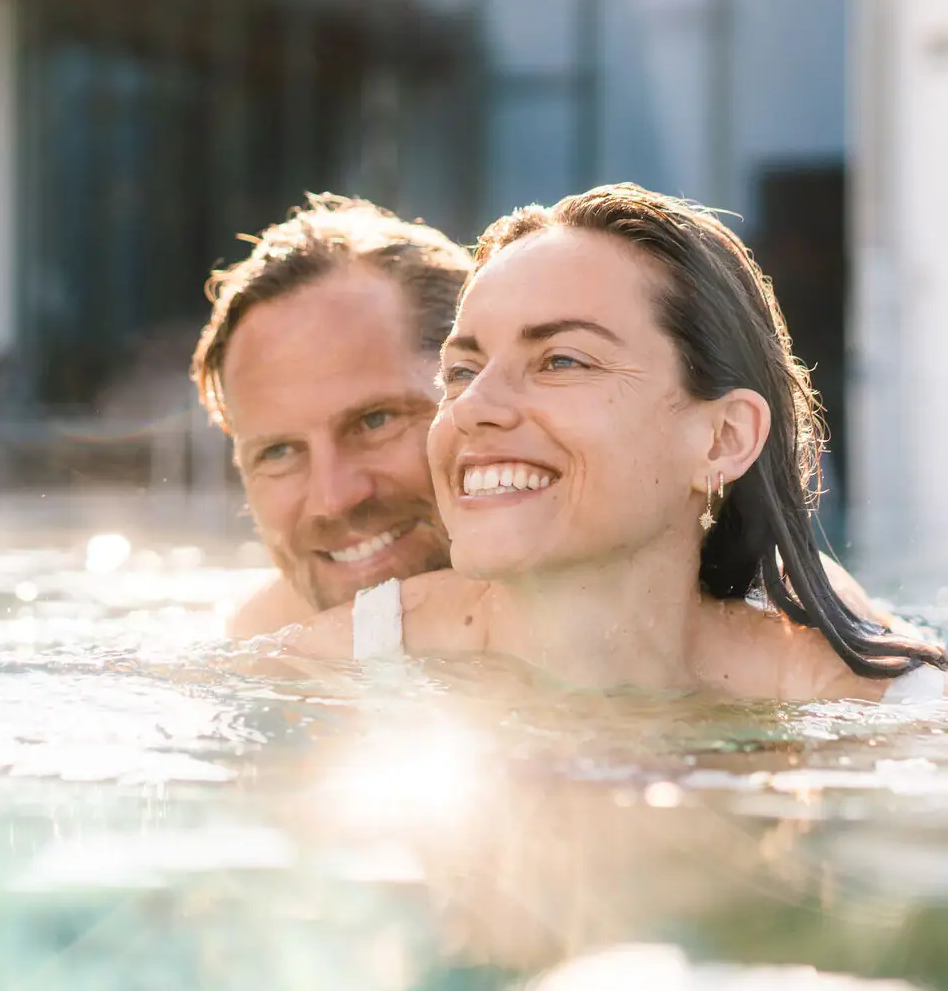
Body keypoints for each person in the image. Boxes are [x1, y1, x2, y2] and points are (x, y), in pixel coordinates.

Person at [291, 184, 947, 703]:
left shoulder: (875, 710)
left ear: (721, 438)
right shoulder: (335, 664)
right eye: (462, 370)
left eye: (561, 360)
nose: (471, 407)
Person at [191, 194, 468, 637]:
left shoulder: (613, 621)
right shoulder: (259, 649)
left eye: (375, 421)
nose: (333, 500)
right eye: (279, 452)